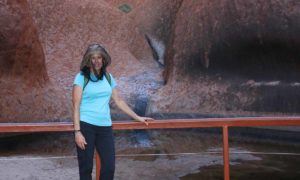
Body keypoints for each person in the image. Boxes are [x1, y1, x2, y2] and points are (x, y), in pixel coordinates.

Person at [72, 43, 153, 180]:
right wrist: (77, 132)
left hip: (105, 127)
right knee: (86, 168)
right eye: (93, 58)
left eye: (99, 57)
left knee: (109, 167)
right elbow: (75, 105)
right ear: (88, 60)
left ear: (103, 59)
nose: (97, 61)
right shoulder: (81, 77)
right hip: (86, 126)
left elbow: (119, 100)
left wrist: (137, 117)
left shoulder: (108, 77)